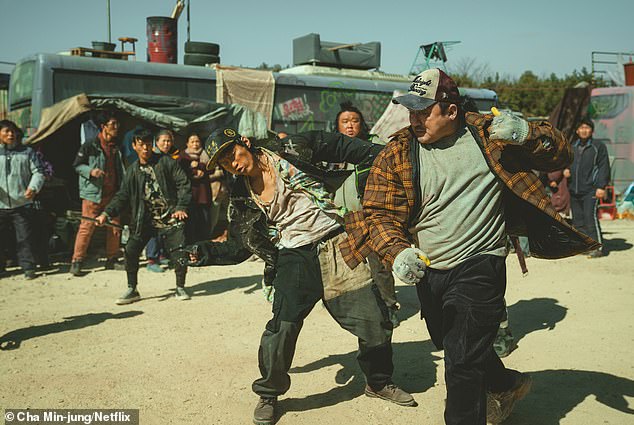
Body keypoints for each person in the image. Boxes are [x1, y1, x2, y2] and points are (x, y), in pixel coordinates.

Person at [340, 68, 599, 425]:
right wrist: (397, 251)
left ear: (451, 111)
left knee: (460, 360)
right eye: (410, 111)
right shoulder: (398, 152)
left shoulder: (491, 135)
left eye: (422, 111)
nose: (414, 119)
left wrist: (526, 133)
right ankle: (504, 383)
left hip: (482, 262)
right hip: (431, 266)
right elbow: (379, 213)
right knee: (451, 341)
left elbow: (560, 155)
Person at [188, 128, 415, 425]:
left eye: (233, 154)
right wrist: (204, 253)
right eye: (226, 163)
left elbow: (341, 146)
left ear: (244, 142)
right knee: (281, 328)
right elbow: (240, 244)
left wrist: (382, 157)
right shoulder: (242, 196)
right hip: (293, 255)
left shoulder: (294, 148)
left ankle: (378, 381)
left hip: (336, 243)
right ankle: (269, 393)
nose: (234, 164)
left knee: (374, 320)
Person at [95, 128, 192, 304]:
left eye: (148, 144)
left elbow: (183, 184)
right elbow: (122, 195)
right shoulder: (132, 171)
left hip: (170, 216)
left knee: (179, 252)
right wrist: (106, 213)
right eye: (141, 145)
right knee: (131, 249)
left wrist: (181, 206)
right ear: (134, 146)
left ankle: (180, 287)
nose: (145, 149)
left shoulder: (166, 162)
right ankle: (132, 288)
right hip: (144, 220)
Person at [332, 101, 400, 327]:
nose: (350, 126)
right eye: (345, 122)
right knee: (352, 265)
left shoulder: (374, 145)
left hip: (370, 215)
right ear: (338, 126)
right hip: (342, 217)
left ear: (362, 124)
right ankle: (362, 308)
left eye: (354, 121)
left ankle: (389, 307)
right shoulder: (332, 148)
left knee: (379, 264)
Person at [70, 111, 125, 276]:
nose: (116, 128)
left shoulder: (116, 145)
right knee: (87, 227)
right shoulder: (90, 145)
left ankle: (112, 259)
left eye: (117, 124)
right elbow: (77, 166)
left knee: (114, 227)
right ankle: (77, 261)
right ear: (103, 127)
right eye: (113, 124)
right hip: (93, 194)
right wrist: (90, 171)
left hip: (112, 194)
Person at [0, 120, 45, 279]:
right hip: (1, 205)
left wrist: (33, 187)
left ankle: (28, 268)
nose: (10, 135)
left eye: (13, 132)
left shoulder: (27, 152)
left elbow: (39, 172)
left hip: (22, 203)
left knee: (25, 237)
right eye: (6, 131)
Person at [564, 118, 610, 258]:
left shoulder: (598, 146)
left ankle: (597, 248)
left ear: (591, 130)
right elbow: (567, 162)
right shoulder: (572, 147)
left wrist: (601, 186)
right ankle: (584, 246)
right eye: (581, 128)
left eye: (587, 128)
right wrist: (566, 169)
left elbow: (604, 167)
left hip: (591, 189)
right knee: (578, 221)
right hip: (574, 189)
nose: (584, 130)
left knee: (590, 218)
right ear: (577, 131)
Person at [144, 129, 179, 272]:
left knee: (165, 229)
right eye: (163, 141)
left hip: (168, 200)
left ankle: (162, 254)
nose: (166, 143)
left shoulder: (171, 157)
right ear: (156, 142)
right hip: (153, 200)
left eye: (169, 141)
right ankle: (151, 259)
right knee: (154, 229)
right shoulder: (151, 157)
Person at [179, 132, 213, 243]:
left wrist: (200, 167)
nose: (195, 144)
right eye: (192, 141)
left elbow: (211, 167)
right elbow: (180, 170)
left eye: (197, 141)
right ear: (187, 143)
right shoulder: (183, 156)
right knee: (191, 222)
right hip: (190, 193)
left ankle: (204, 246)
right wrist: (192, 171)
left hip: (203, 193)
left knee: (204, 221)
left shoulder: (205, 154)